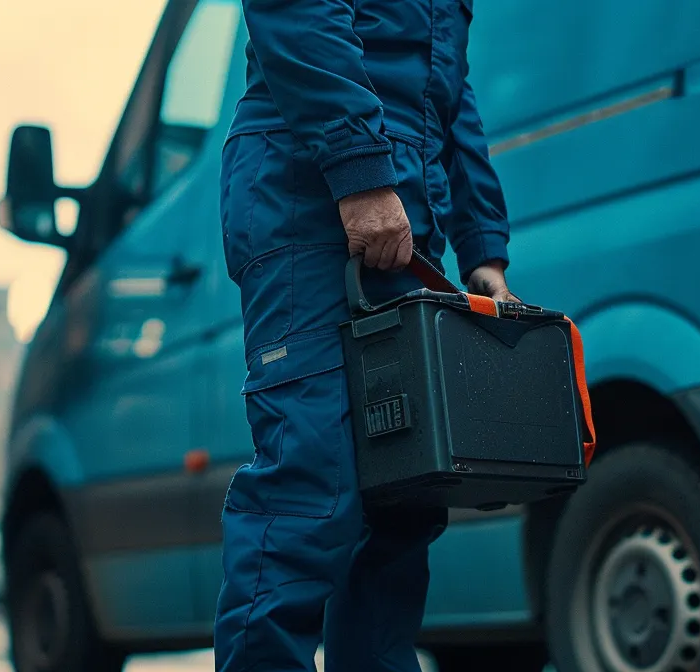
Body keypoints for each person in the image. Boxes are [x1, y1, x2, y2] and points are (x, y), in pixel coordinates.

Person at [212, 1, 519, 670]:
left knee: (402, 498)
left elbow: (447, 82)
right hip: (308, 186)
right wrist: (360, 170)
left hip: (404, 204)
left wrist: (481, 245)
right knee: (309, 479)